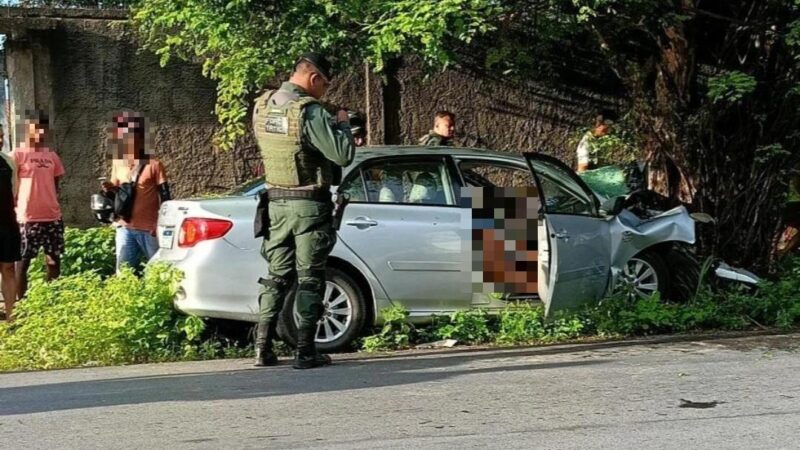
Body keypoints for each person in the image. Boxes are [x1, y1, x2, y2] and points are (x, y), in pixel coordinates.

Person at [251, 52, 355, 369]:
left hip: (274, 205)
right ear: (313, 78)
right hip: (308, 206)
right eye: (325, 83)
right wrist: (343, 127)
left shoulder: (263, 105)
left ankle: (262, 348)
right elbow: (342, 155)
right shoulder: (308, 112)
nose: (325, 91)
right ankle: (305, 351)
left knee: (276, 277)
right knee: (310, 278)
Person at [102, 112, 171, 274]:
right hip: (124, 227)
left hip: (149, 229)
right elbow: (115, 192)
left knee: (158, 273)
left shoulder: (154, 164)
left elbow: (166, 198)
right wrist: (108, 189)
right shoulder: (118, 162)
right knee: (124, 275)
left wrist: (159, 224)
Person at [13, 111, 65, 299]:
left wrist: (49, 200)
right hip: (27, 218)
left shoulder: (51, 156)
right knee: (23, 261)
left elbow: (56, 183)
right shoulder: (17, 155)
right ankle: (22, 304)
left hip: (52, 217)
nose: (40, 133)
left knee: (53, 261)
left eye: (43, 129)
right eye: (36, 128)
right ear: (27, 129)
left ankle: (50, 300)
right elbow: (11, 185)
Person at [0, 125, 20, 321]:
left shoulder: (9, 162)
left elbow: (15, 192)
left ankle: (11, 315)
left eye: (1, 136)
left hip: (7, 224)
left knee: (8, 268)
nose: (0, 140)